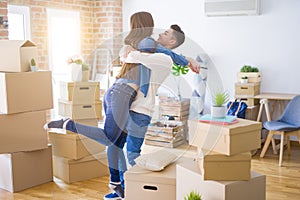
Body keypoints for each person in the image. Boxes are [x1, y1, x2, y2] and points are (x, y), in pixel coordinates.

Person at [45, 11, 200, 200]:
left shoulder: (161, 56)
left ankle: (122, 187)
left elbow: (134, 56)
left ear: (173, 42)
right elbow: (132, 53)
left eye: (166, 34)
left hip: (134, 105)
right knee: (115, 143)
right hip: (124, 97)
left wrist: (183, 60)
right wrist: (128, 47)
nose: (160, 34)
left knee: (123, 148)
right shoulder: (148, 48)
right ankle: (125, 186)